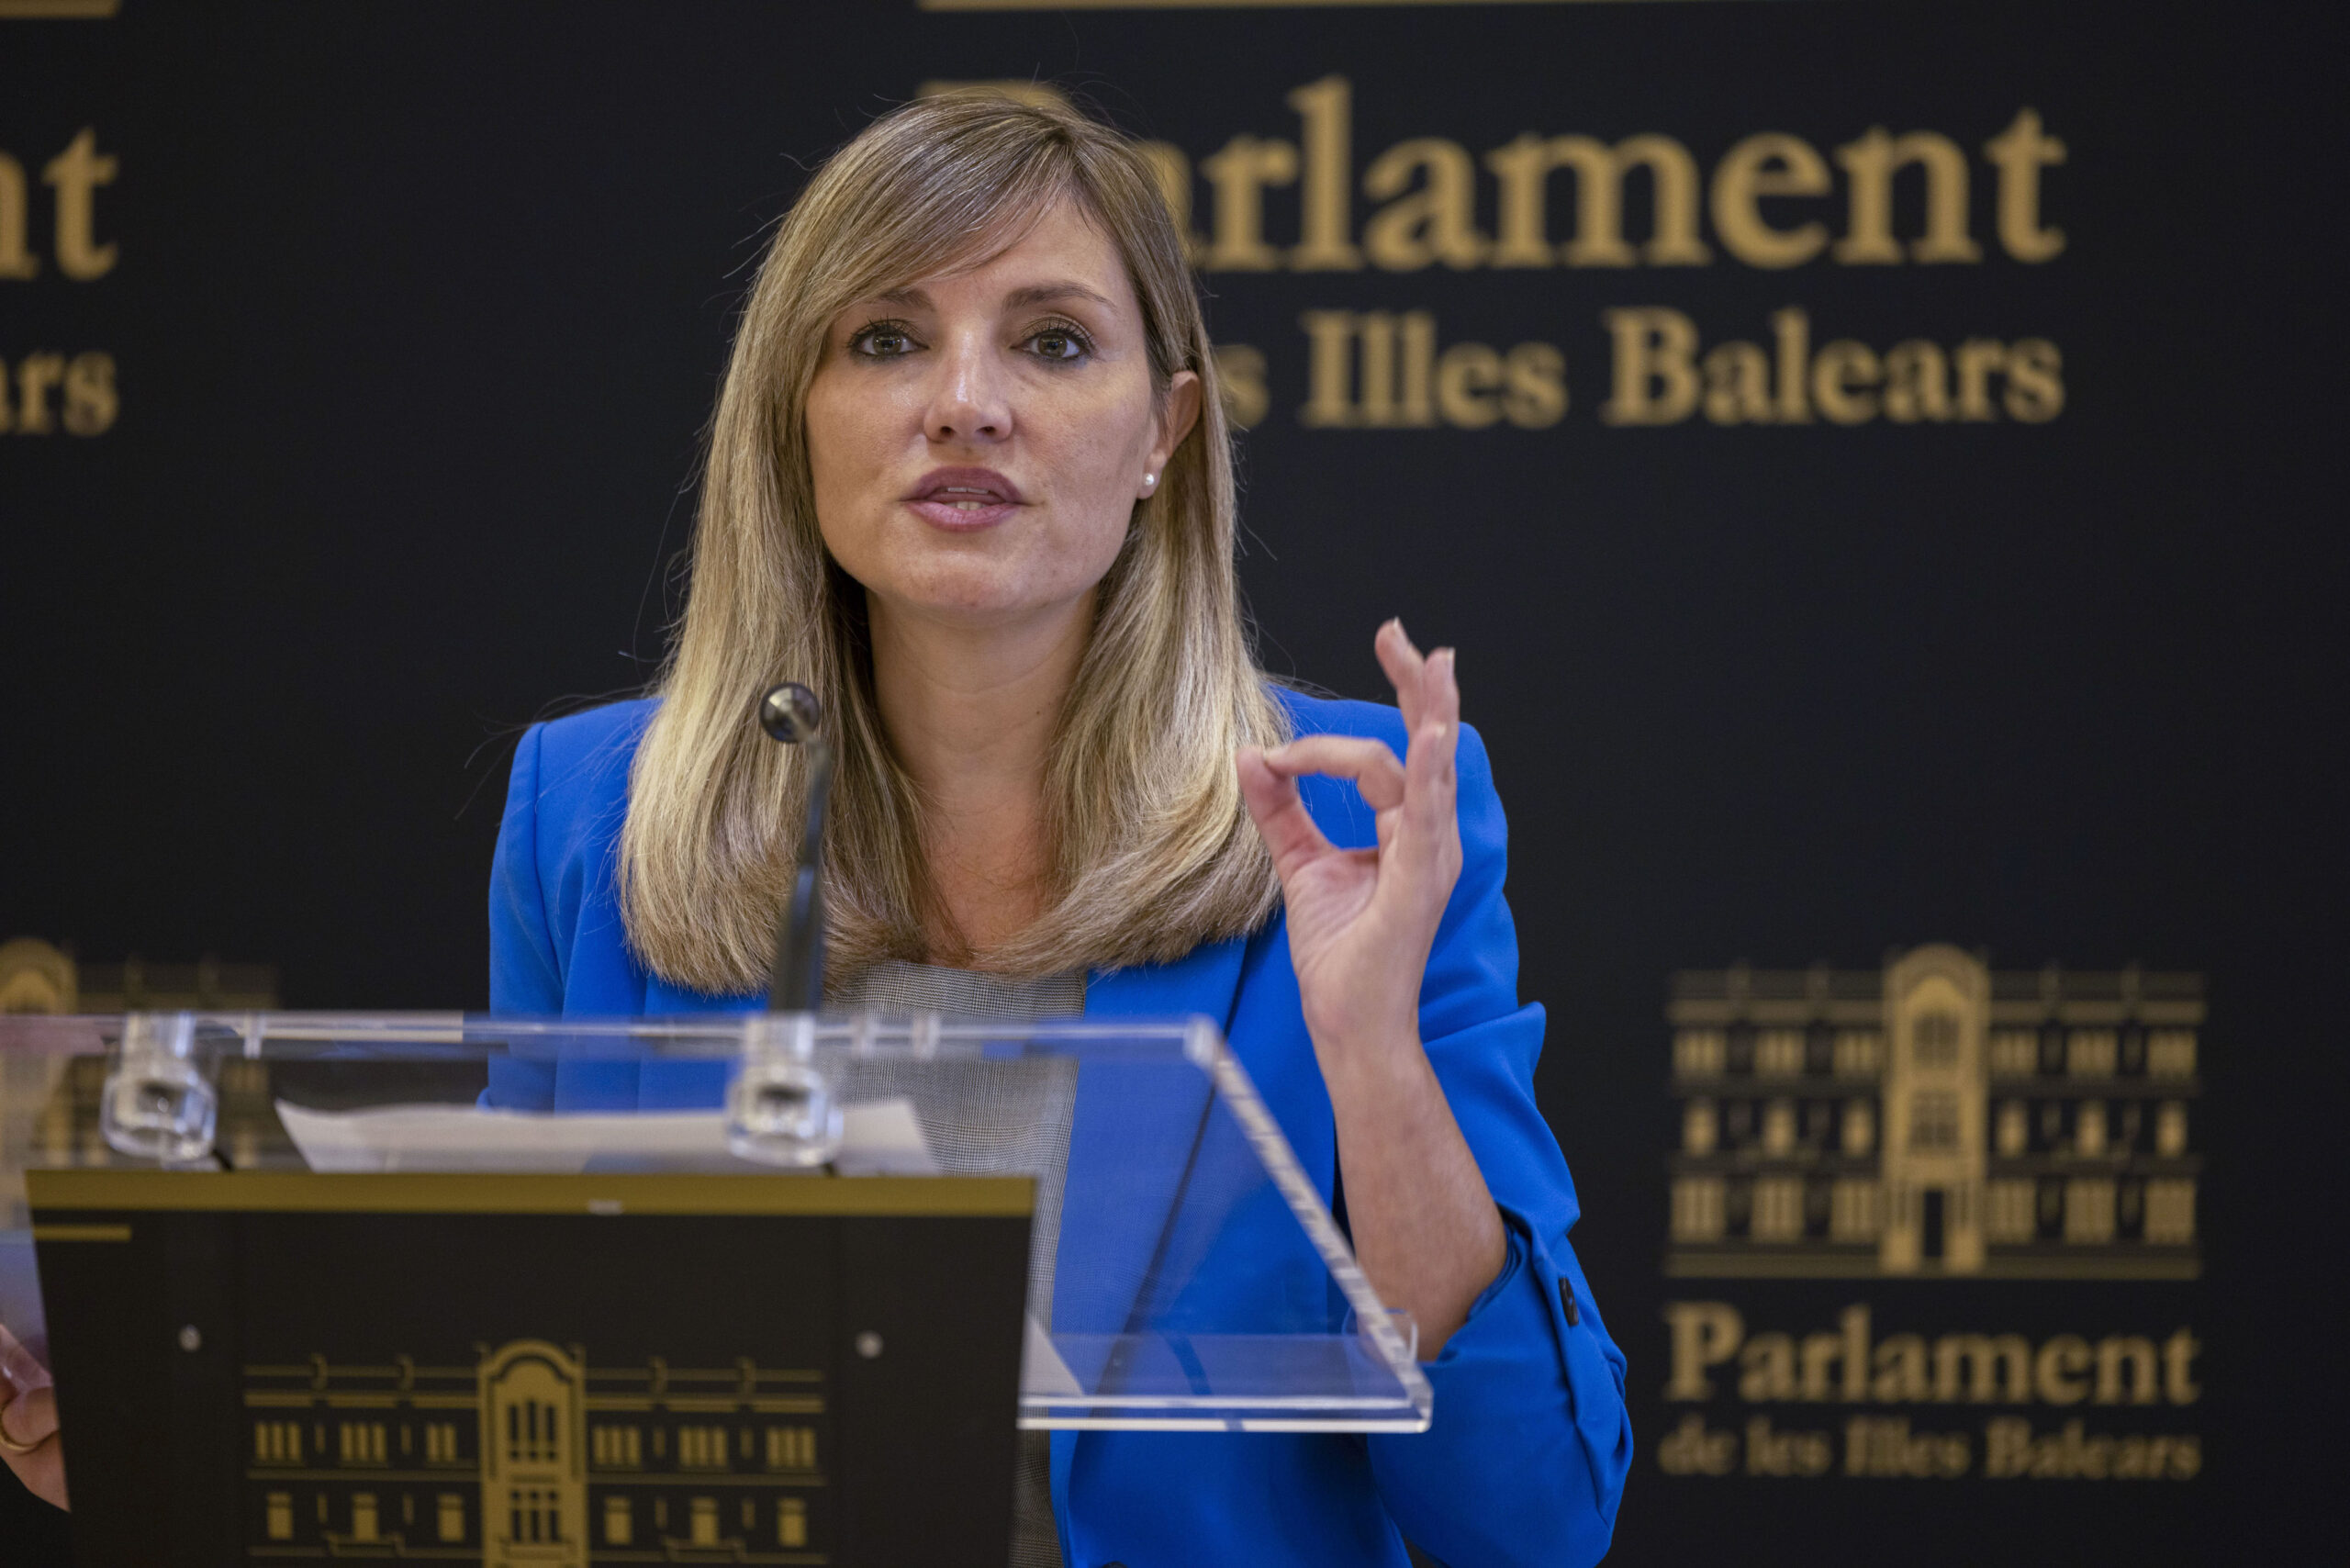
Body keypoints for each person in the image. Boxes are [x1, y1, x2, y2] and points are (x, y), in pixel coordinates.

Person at [5, 94, 1630, 1564]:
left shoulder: (1353, 810)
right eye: (886, 340)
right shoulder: (596, 815)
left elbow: (1532, 1522)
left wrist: (1370, 1053)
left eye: (1055, 343)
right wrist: (195, 1440)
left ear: (1164, 435)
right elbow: (514, 1415)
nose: (967, 404)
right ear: (797, 416)